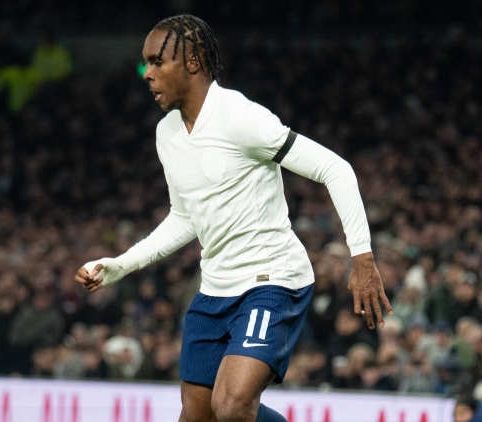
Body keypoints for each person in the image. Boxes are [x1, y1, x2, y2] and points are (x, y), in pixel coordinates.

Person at [74, 14, 391, 422]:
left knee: (232, 405)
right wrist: (121, 265)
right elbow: (185, 217)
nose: (147, 74)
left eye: (156, 62)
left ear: (192, 62)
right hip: (214, 290)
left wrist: (362, 258)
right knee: (198, 416)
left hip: (272, 280)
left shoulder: (241, 118)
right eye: (145, 63)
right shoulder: (167, 133)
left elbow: (336, 169)